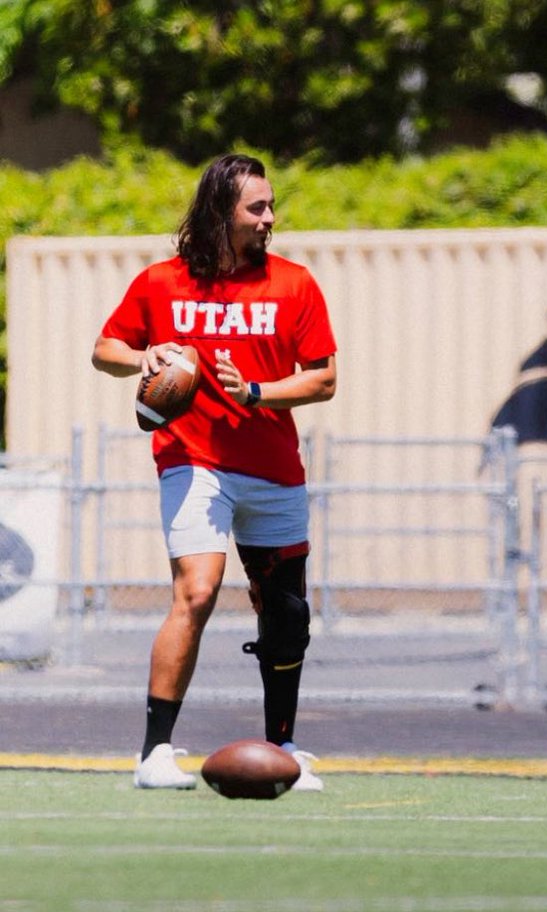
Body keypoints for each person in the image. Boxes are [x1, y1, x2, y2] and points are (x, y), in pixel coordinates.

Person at [92, 153, 338, 790]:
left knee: (285, 613)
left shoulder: (294, 283)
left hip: (273, 466)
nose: (270, 218)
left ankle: (284, 747)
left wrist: (256, 391)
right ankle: (155, 753)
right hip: (193, 461)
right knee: (196, 592)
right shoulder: (160, 282)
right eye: (256, 207)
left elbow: (324, 379)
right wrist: (148, 355)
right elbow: (105, 350)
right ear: (219, 212)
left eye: (270, 206)